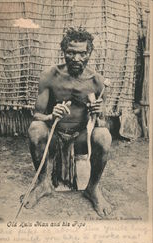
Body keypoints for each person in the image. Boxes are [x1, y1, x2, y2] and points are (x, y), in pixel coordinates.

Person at [25, 27, 112, 217]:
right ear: (63, 51)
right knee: (35, 129)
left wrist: (100, 113)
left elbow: (102, 124)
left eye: (82, 53)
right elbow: (37, 116)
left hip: (81, 138)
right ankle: (43, 183)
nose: (76, 58)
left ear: (89, 53)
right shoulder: (50, 75)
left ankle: (93, 188)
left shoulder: (97, 82)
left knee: (104, 136)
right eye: (71, 52)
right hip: (54, 135)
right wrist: (50, 116)